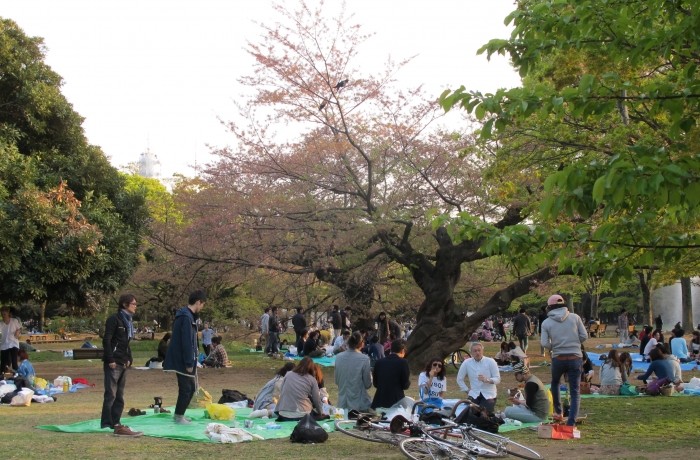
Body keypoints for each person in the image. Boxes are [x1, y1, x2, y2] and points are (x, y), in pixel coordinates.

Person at [540, 294, 587, 426]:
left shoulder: (546, 322)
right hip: (575, 357)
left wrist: (553, 346)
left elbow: (544, 343)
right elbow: (584, 336)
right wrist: (575, 343)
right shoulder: (575, 317)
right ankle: (571, 422)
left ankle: (559, 412)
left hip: (558, 358)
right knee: (575, 390)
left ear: (549, 307)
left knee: (555, 383)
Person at [100, 294, 142, 437]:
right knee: (110, 393)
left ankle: (116, 422)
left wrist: (129, 358)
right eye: (133, 304)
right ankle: (106, 422)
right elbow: (107, 339)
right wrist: (110, 358)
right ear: (125, 304)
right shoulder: (114, 319)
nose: (135, 306)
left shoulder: (128, 321)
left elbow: (126, 342)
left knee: (119, 394)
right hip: (113, 361)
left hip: (123, 361)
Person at [163, 289, 207, 425]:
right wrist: (189, 362)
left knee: (191, 388)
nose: (202, 307)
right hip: (182, 360)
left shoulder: (189, 317)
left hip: (188, 359)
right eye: (203, 304)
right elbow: (187, 341)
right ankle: (178, 417)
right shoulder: (186, 317)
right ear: (198, 302)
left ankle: (179, 414)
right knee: (186, 389)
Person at [275, 357, 325, 421]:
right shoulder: (312, 380)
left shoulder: (288, 374)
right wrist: (321, 412)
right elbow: (316, 399)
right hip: (302, 413)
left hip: (283, 413)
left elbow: (282, 390)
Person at [456, 341, 501, 413]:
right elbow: (459, 379)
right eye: (475, 351)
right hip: (474, 394)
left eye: (479, 350)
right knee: (471, 413)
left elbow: (498, 379)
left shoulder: (490, 361)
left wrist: (487, 380)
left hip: (489, 394)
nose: (477, 353)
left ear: (482, 350)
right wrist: (467, 390)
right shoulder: (467, 363)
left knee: (484, 413)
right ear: (471, 353)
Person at [334, 331, 372, 412]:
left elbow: (337, 381)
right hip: (359, 405)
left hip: (342, 405)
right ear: (361, 343)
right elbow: (368, 384)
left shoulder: (338, 357)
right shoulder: (364, 359)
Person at [371, 339, 412, 411]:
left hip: (379, 399)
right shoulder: (403, 362)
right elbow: (405, 385)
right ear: (402, 350)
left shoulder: (379, 362)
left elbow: (375, 383)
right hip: (396, 400)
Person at [1, 306, 22, 374]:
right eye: (2, 314)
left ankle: (17, 377)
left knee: (14, 362)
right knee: (3, 363)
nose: (3, 316)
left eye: (4, 314)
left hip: (13, 343)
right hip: (4, 345)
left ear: (8, 313)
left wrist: (17, 332)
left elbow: (19, 328)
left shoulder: (14, 321)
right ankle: (2, 377)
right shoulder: (1, 323)